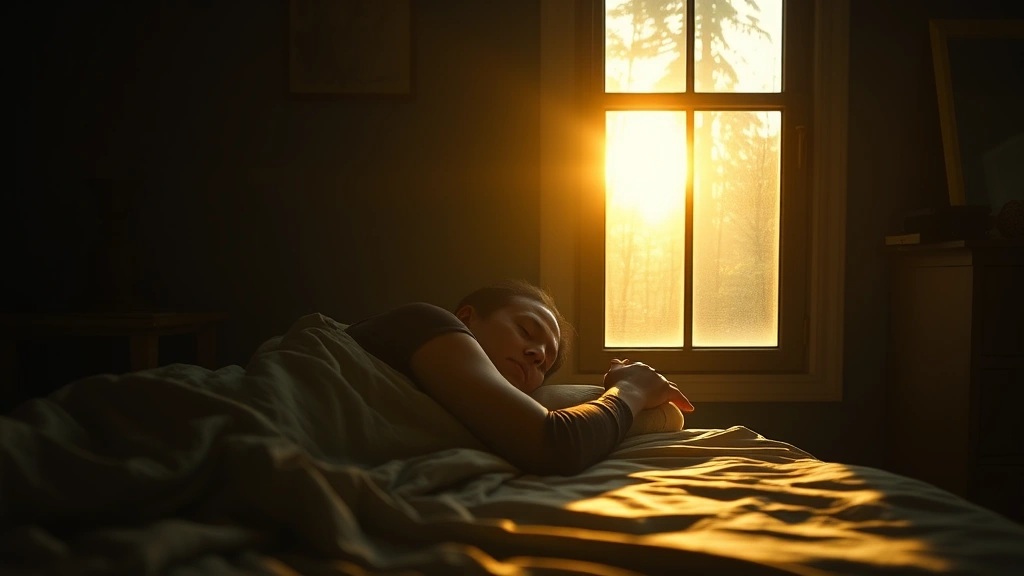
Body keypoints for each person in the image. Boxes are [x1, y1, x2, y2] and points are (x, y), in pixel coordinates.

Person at [345, 279, 694, 476]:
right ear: (466, 319)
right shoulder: (424, 321)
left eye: (545, 364)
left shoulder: (474, 415)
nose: (537, 354)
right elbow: (556, 443)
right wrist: (630, 389)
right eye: (526, 330)